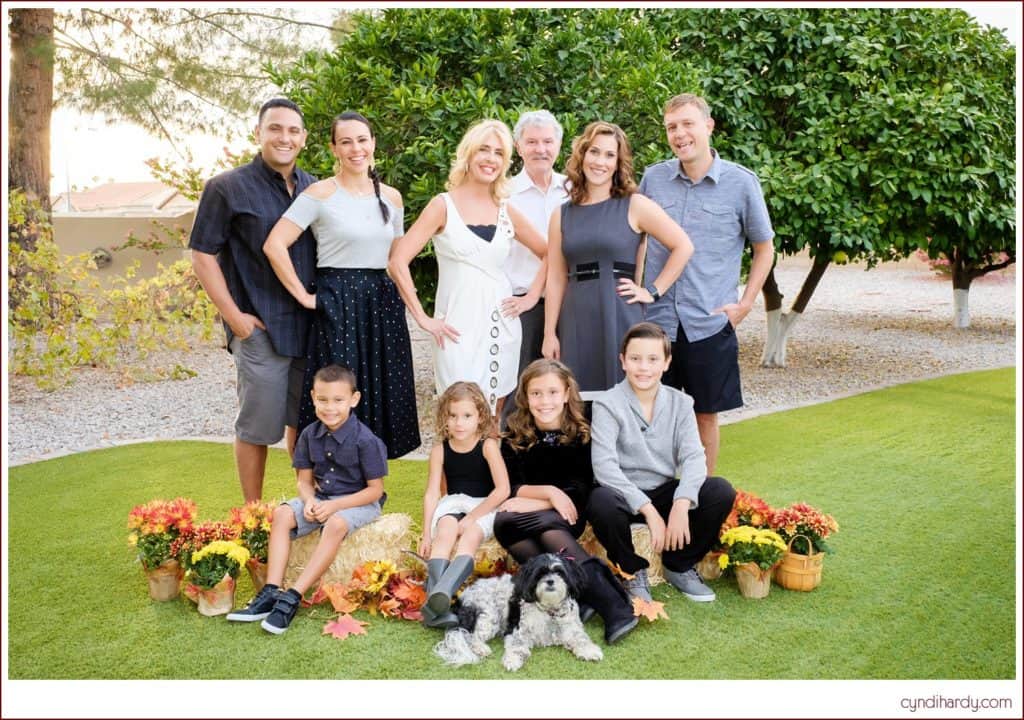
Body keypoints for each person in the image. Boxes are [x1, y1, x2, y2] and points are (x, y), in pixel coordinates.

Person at [264, 110, 420, 459]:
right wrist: (304, 296)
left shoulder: (392, 198)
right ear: (334, 148)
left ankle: (372, 488)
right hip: (338, 302)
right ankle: (327, 482)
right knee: (338, 392)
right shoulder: (319, 194)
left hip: (381, 302)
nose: (355, 148)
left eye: (362, 140)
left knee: (381, 392)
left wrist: (420, 313)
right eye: (346, 141)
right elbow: (274, 245)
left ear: (373, 143)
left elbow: (397, 261)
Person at [639, 93, 775, 475]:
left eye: (687, 124)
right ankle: (657, 499)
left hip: (709, 321)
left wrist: (746, 304)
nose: (680, 134)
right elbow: (637, 240)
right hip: (656, 322)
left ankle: (699, 498)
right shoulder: (653, 179)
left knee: (704, 417)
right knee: (651, 417)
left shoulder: (741, 183)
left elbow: (765, 248)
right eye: (671, 127)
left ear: (708, 126)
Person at [190, 98, 316, 503]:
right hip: (259, 326)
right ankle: (253, 514)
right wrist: (235, 319)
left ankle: (307, 504)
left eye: (293, 130)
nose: (284, 137)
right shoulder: (226, 188)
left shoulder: (317, 188)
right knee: (258, 426)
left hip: (311, 327)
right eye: (275, 128)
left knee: (307, 421)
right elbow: (202, 254)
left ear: (304, 139)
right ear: (258, 133)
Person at [388, 119, 547, 417]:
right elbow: (397, 262)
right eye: (484, 149)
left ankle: (491, 465)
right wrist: (422, 317)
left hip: (502, 326)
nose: (490, 158)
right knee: (457, 416)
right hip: (455, 330)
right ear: (468, 154)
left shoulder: (506, 208)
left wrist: (530, 298)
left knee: (493, 419)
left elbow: (550, 252)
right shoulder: (442, 205)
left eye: (499, 153)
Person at [225, 364, 387, 634]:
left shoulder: (365, 440)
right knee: (282, 514)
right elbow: (303, 480)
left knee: (335, 524)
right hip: (322, 497)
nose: (330, 407)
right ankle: (271, 591)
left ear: (353, 400)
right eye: (322, 400)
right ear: (313, 397)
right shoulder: (309, 435)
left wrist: (334, 506)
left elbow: (375, 491)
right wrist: (310, 500)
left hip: (359, 503)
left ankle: (293, 596)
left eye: (338, 400)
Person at [542, 121, 694, 399]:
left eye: (609, 155)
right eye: (594, 152)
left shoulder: (635, 205)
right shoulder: (561, 214)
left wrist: (652, 291)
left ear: (618, 162)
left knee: (625, 401)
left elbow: (683, 245)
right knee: (577, 402)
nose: (600, 161)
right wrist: (549, 333)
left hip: (620, 313)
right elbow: (555, 278)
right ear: (582, 155)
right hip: (575, 317)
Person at [587, 322, 736, 604]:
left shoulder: (681, 402)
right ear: (623, 361)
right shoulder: (607, 403)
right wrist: (649, 512)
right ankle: (631, 571)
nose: (644, 367)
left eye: (653, 359)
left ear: (667, 363)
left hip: (663, 490)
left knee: (720, 491)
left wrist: (682, 502)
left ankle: (678, 564)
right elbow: (604, 467)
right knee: (600, 503)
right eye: (635, 359)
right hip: (622, 494)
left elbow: (693, 457)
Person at [493, 359, 638, 645]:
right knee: (505, 523)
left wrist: (551, 498)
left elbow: (580, 489)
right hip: (539, 510)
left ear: (566, 392)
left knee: (546, 529)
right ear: (525, 396)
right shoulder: (515, 431)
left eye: (552, 392)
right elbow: (512, 486)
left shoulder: (582, 431)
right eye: (536, 393)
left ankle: (614, 606)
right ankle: (580, 595)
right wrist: (549, 494)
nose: (544, 401)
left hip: (571, 512)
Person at [419, 382, 510, 628]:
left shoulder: (488, 446)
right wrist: (426, 533)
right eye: (453, 416)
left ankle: (439, 597)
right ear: (444, 417)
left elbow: (503, 489)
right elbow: (431, 493)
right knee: (446, 531)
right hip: (453, 502)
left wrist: (471, 518)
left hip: (484, 505)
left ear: (480, 417)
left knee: (469, 536)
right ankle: (439, 601)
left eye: (467, 416)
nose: (459, 423)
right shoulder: (440, 450)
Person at [503, 110, 569, 377]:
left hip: (568, 304)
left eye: (547, 141)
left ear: (558, 145)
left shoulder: (574, 189)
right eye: (531, 142)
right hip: (522, 308)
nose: (540, 149)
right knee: (520, 388)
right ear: (518, 147)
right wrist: (529, 296)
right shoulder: (503, 194)